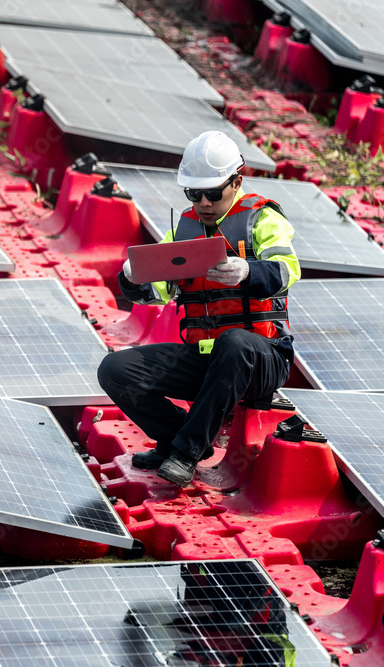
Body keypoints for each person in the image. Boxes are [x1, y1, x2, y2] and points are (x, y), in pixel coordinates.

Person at [97, 131, 300, 488]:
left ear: (236, 181)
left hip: (260, 360)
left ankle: (186, 452)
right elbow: (154, 291)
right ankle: (175, 437)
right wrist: (130, 278)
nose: (203, 202)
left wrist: (249, 270)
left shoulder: (263, 220)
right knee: (115, 369)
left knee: (234, 343)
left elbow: (287, 269)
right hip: (204, 361)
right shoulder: (185, 230)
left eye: (213, 192)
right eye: (194, 194)